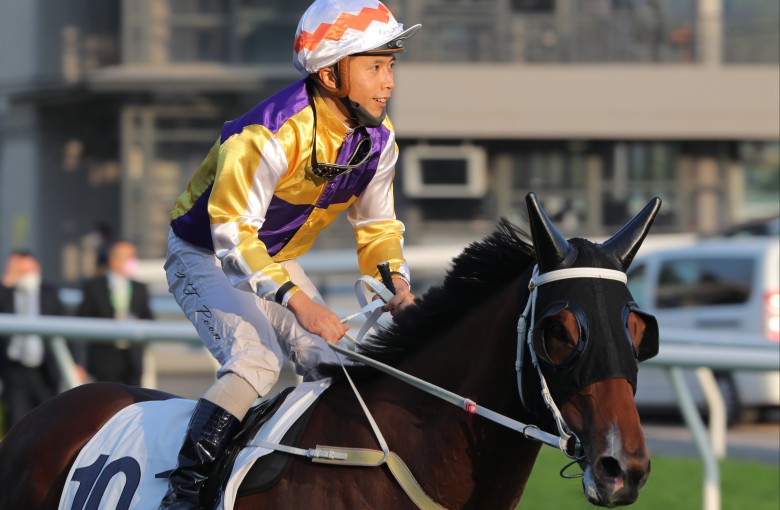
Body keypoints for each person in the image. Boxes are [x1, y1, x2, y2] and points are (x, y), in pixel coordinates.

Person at [159, 1, 420, 506]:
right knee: (257, 362)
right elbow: (232, 234)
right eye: (374, 67)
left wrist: (396, 285)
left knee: (334, 361)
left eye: (390, 65)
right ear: (329, 75)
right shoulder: (266, 134)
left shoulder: (379, 141)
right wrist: (301, 303)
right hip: (205, 253)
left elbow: (377, 225)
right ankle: (184, 493)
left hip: (272, 257)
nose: (388, 81)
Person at [0, 250, 67, 432]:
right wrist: (7, 282)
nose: (27, 275)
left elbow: (67, 328)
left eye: (30, 270)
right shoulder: (7, 292)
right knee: (15, 424)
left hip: (45, 370)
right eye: (21, 271)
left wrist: (77, 362)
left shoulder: (50, 293)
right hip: (15, 370)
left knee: (46, 424)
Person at [77, 240, 153, 387]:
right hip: (104, 358)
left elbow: (148, 317)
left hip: (132, 358)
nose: (132, 261)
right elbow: (82, 322)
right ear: (112, 260)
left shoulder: (140, 288)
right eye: (127, 257)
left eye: (133, 256)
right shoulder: (94, 287)